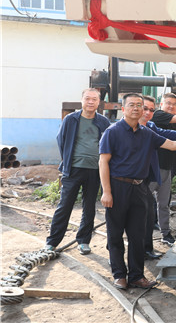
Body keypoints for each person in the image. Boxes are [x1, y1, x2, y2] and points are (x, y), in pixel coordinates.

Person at [99, 93, 176, 290]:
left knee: (137, 234)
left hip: (140, 187)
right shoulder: (112, 132)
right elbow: (103, 161)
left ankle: (136, 276)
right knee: (115, 234)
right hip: (118, 187)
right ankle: (119, 275)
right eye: (132, 105)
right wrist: (107, 192)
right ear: (123, 108)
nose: (137, 108)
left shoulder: (147, 133)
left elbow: (172, 144)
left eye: (140, 105)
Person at [45, 89, 110, 255]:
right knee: (65, 205)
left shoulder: (103, 122)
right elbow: (61, 140)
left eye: (94, 99)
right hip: (73, 169)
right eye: (87, 98)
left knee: (89, 207)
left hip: (95, 170)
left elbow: (109, 144)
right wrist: (68, 160)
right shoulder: (71, 119)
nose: (90, 102)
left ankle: (83, 241)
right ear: (82, 100)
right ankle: (52, 242)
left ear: (98, 102)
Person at [139, 95, 176, 260]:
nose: (172, 107)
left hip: (167, 169)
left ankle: (164, 235)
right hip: (151, 170)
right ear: (161, 104)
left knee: (163, 204)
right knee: (143, 208)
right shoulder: (158, 116)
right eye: (169, 103)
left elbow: (173, 137)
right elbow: (171, 135)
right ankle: (140, 243)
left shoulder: (154, 125)